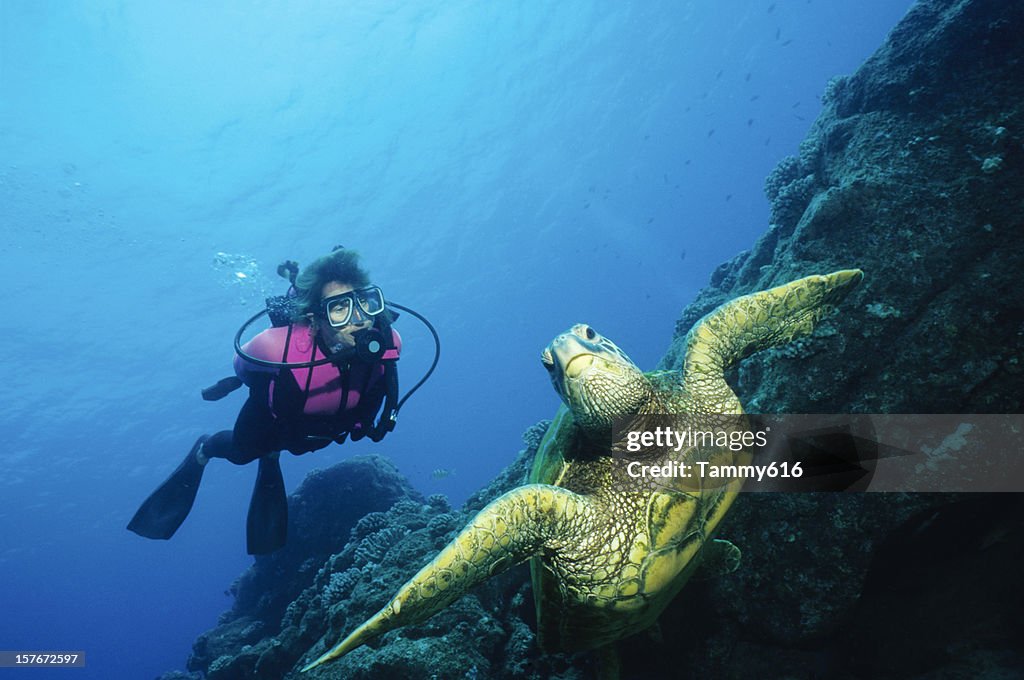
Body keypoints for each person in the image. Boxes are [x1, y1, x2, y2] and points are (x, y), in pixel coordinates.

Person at [128, 248, 401, 554]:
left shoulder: (389, 343)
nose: (359, 319)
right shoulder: (274, 349)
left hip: (318, 432)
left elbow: (379, 390)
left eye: (363, 303)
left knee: (296, 447)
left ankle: (273, 455)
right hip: (271, 421)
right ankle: (206, 449)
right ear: (314, 319)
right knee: (243, 453)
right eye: (340, 309)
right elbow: (244, 369)